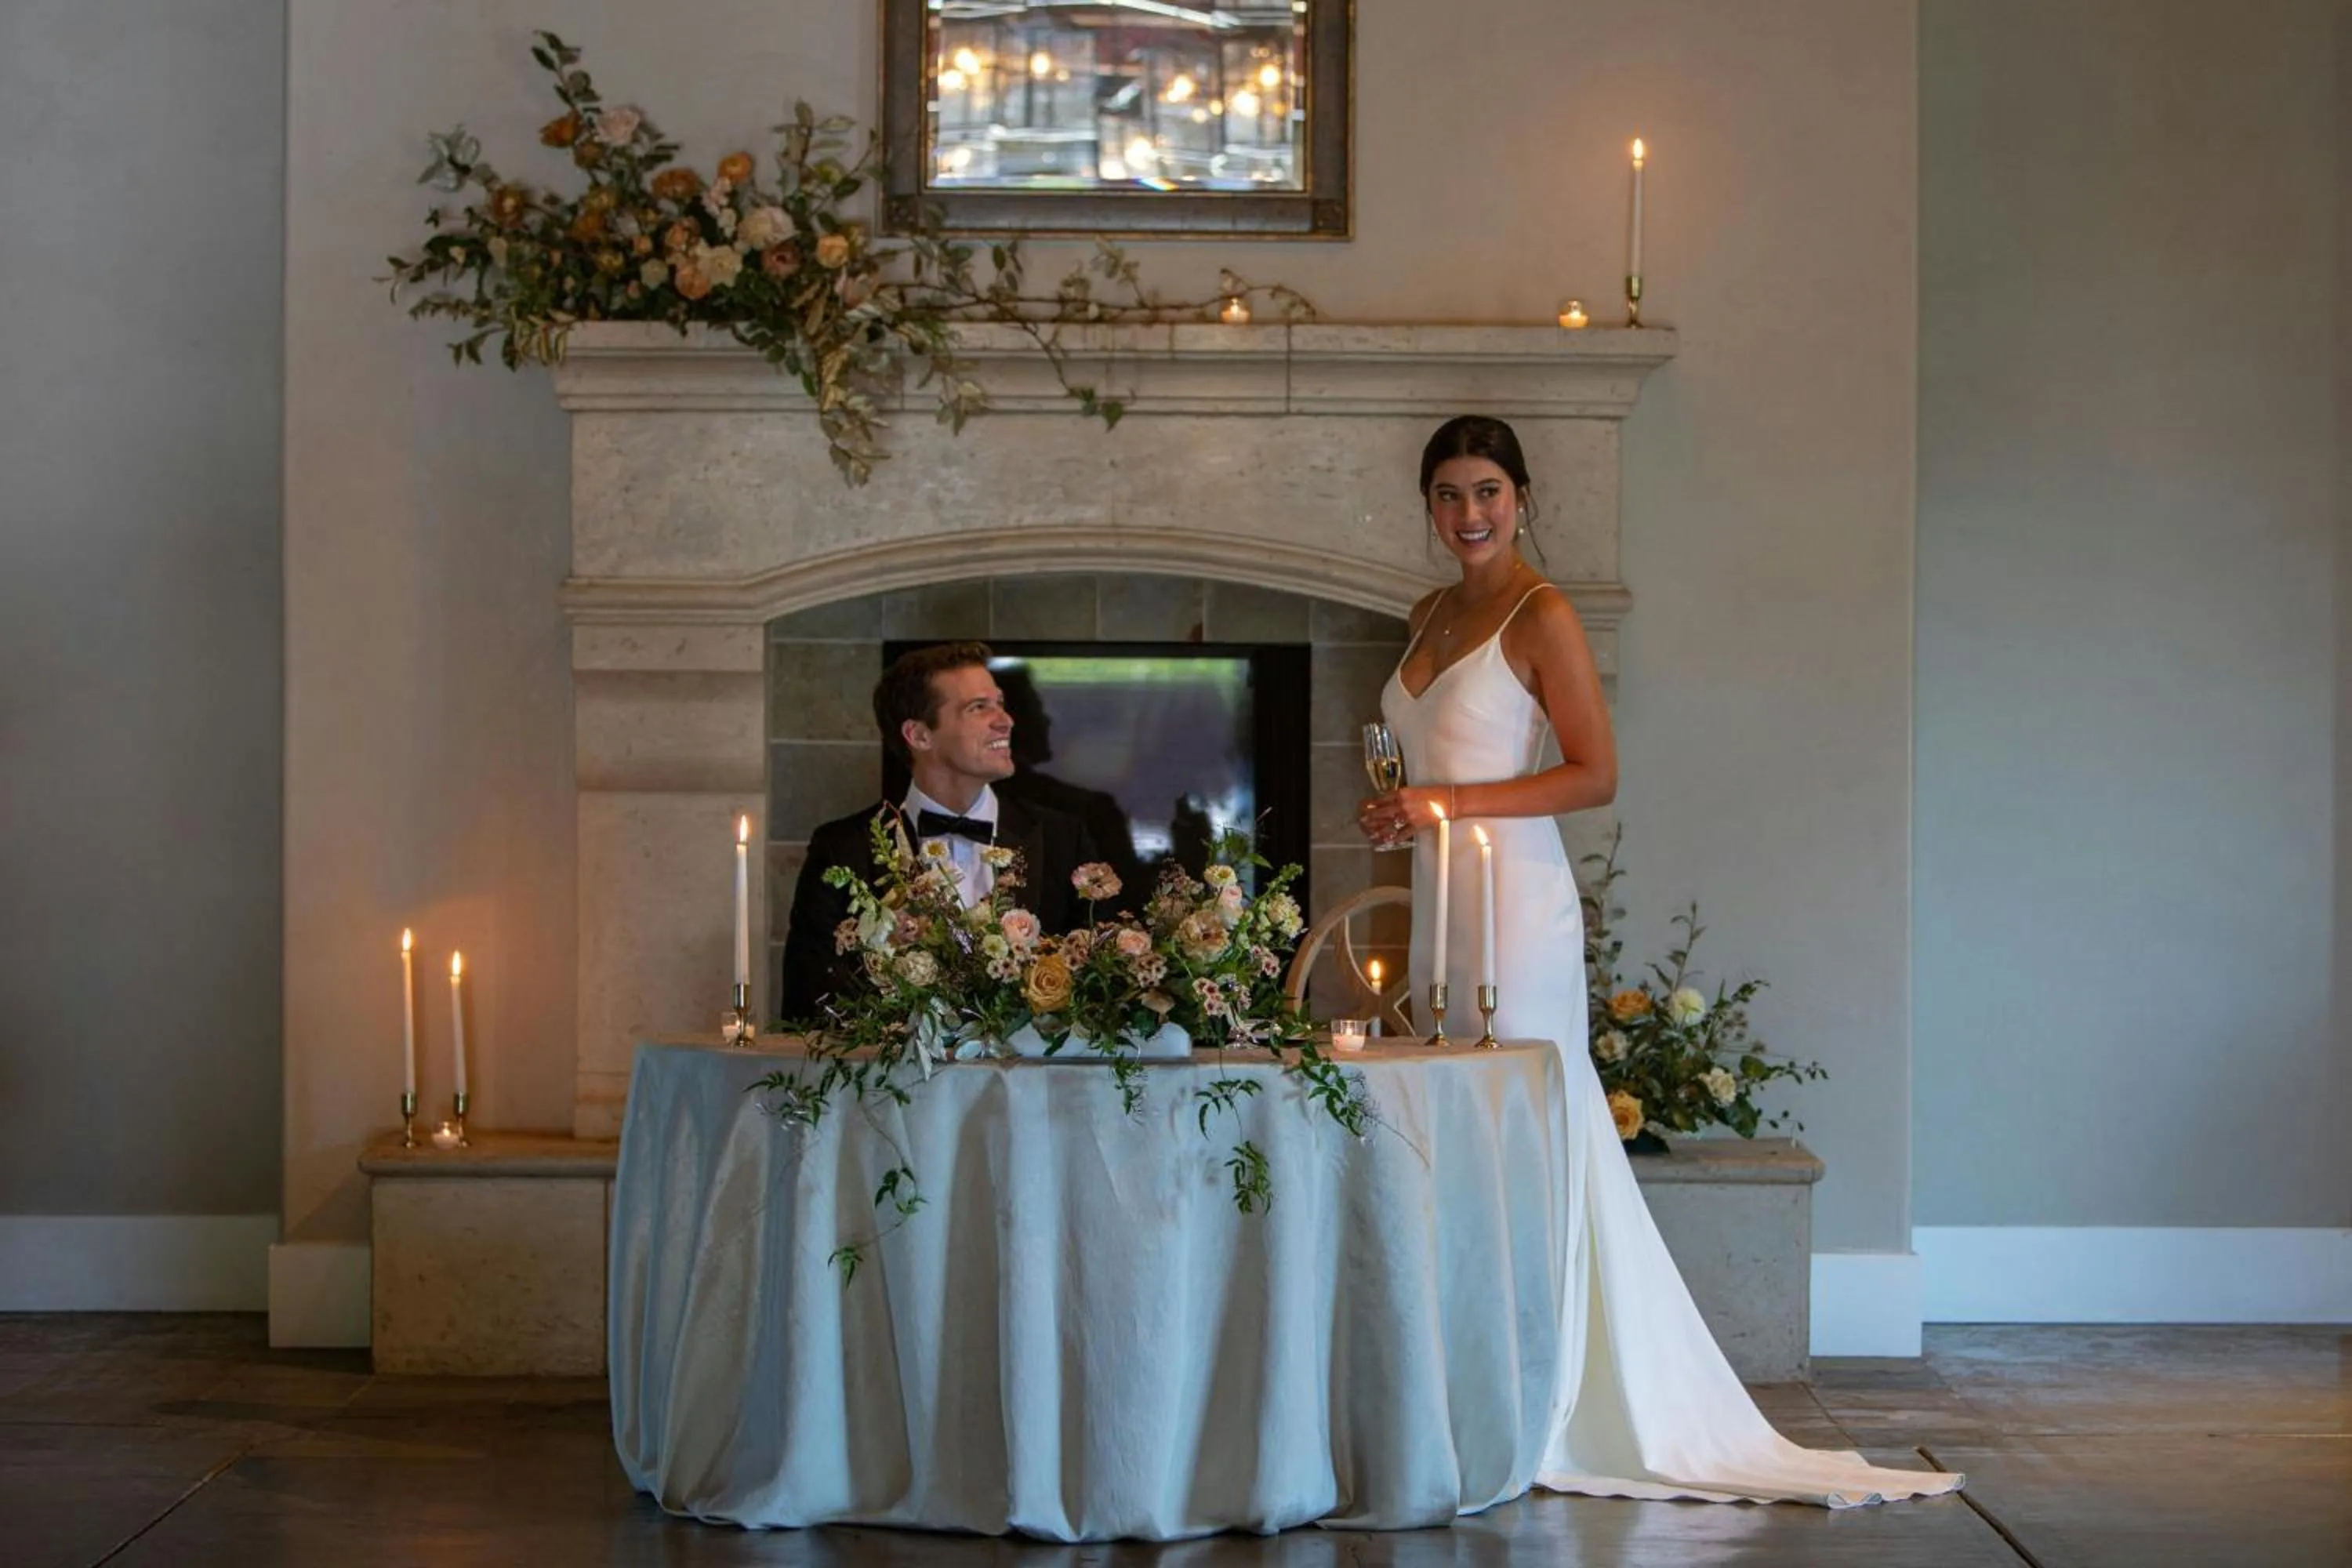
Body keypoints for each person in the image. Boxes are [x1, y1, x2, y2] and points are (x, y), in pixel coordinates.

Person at [1357, 416, 1962, 1508]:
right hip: (1445, 885)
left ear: (1524, 496)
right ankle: (1471, 1373)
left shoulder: (1543, 615)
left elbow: (1595, 775)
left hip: (1513, 894)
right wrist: (1411, 814)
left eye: (1487, 490)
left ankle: (1560, 1391)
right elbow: (1427, 755)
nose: (1469, 514)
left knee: (1528, 1117)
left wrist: (1447, 801)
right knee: (1453, 1113)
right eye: (1447, 495)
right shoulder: (1428, 612)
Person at [779, 641, 1098, 1024]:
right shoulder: (842, 850)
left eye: (999, 703)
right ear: (919, 735)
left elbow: (1099, 999)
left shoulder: (1065, 840)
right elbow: (810, 1008)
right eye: (978, 707)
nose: (1006, 720)